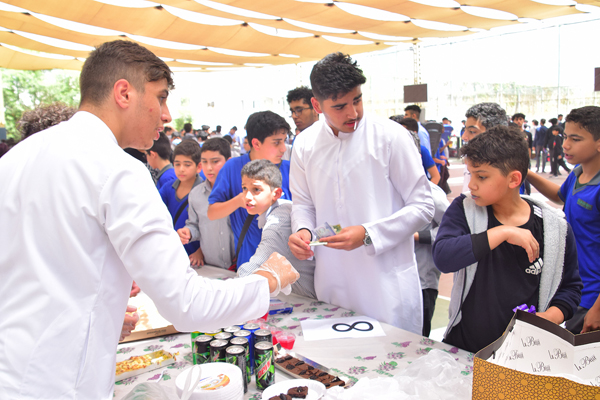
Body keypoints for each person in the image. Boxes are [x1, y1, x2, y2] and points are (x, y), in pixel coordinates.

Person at [0, 40, 299, 399]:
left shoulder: (17, 158)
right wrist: (267, 279)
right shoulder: (118, 169)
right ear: (124, 93)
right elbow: (186, 303)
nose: (167, 115)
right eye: (161, 97)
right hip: (60, 384)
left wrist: (100, 308)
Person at [288, 52, 434, 333]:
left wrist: (369, 234)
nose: (353, 113)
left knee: (392, 357)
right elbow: (303, 203)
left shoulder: (391, 136)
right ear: (317, 105)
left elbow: (423, 205)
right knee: (337, 357)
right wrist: (303, 231)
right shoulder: (304, 144)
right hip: (332, 281)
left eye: (357, 100)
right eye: (339, 106)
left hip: (386, 285)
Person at [433, 125, 582, 353]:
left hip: (525, 354)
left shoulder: (554, 227)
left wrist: (550, 317)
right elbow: (443, 257)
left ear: (514, 179)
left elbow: (570, 287)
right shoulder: (465, 209)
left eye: (481, 176)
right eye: (470, 174)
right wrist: (502, 232)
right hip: (465, 347)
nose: (471, 184)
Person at [526, 106, 600, 334]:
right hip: (575, 288)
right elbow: (560, 195)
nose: (565, 144)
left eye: (575, 139)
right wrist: (525, 172)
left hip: (593, 297)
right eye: (566, 136)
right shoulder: (578, 173)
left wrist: (598, 308)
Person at [208, 111, 292, 267]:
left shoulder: (291, 169)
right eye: (276, 142)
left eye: (284, 141)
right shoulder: (232, 167)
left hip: (287, 265)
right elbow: (212, 213)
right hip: (249, 264)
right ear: (256, 143)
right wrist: (239, 201)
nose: (283, 149)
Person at [237, 159, 316, 299]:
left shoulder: (277, 223)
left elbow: (253, 269)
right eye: (244, 188)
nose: (247, 196)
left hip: (311, 297)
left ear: (276, 193)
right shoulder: (283, 208)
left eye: (256, 190)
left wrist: (230, 289)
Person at [177, 138, 234, 269]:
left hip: (240, 266)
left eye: (215, 161)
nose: (209, 168)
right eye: (204, 162)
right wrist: (188, 232)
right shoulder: (196, 194)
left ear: (229, 162)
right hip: (211, 267)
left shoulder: (239, 192)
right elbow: (195, 225)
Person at [159, 139, 202, 255]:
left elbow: (211, 228)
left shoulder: (205, 192)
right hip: (170, 251)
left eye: (187, 165)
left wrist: (201, 252)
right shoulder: (167, 188)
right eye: (177, 164)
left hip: (195, 255)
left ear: (199, 167)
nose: (181, 169)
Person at [461, 102, 509, 193]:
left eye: (472, 131)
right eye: (465, 130)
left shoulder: (506, 168)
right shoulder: (472, 160)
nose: (464, 137)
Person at [395, 116, 440, 185]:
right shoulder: (397, 149)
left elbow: (436, 176)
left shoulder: (422, 150)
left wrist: (427, 190)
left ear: (414, 133)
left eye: (404, 131)